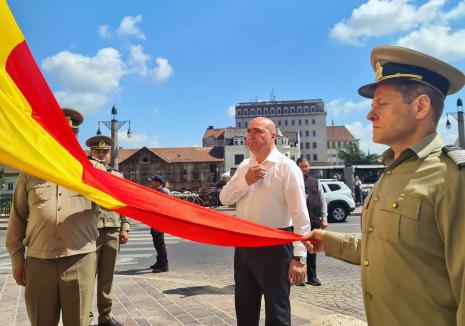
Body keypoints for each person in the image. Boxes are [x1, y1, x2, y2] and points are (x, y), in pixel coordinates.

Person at [304, 45, 465, 325]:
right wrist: (326, 240)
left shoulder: (452, 178)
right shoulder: (391, 172)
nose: (370, 115)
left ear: (421, 106)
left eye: (381, 104)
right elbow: (383, 248)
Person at [6, 108, 98, 326]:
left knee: (78, 322)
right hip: (39, 263)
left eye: (70, 134)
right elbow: (17, 219)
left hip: (79, 259)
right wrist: (18, 260)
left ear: (76, 136)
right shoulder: (30, 171)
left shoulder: (92, 170)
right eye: (57, 132)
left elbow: (118, 203)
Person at [220, 117, 311, 326]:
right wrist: (246, 181)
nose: (251, 136)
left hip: (275, 244)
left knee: (277, 309)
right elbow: (224, 198)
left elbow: (300, 214)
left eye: (258, 131)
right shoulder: (244, 166)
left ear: (273, 136)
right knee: (244, 307)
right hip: (244, 244)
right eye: (249, 131)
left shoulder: (287, 167)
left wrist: (300, 257)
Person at [86, 135, 130, 326]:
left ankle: (105, 317)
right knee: (86, 278)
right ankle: (85, 317)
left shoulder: (117, 176)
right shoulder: (87, 170)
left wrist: (125, 227)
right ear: (91, 152)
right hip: (90, 230)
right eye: (98, 151)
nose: (102, 155)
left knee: (107, 278)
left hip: (112, 229)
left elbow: (123, 205)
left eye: (105, 151)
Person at [296, 158, 327, 286]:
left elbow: (323, 200)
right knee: (298, 249)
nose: (304, 169)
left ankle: (312, 277)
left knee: (312, 250)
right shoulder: (294, 181)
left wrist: (324, 218)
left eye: (306, 166)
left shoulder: (315, 181)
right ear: (297, 167)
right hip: (298, 221)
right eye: (302, 166)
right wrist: (299, 198)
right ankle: (299, 277)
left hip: (314, 220)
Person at [150, 174, 170, 273]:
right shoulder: (157, 191)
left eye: (153, 181)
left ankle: (164, 265)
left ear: (158, 183)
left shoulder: (163, 192)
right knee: (156, 242)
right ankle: (159, 262)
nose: (151, 183)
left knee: (160, 243)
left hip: (160, 220)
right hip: (155, 220)